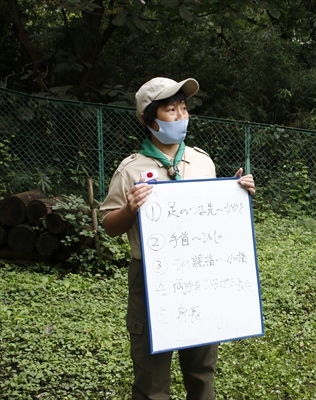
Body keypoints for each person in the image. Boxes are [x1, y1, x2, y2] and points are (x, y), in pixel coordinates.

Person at [99, 76, 255, 400]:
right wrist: (129, 208)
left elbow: (215, 219)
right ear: (148, 119)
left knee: (201, 372)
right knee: (151, 379)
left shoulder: (202, 161)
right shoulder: (131, 169)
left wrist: (235, 195)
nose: (182, 116)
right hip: (150, 280)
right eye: (171, 110)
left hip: (199, 277)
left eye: (184, 108)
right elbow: (109, 224)